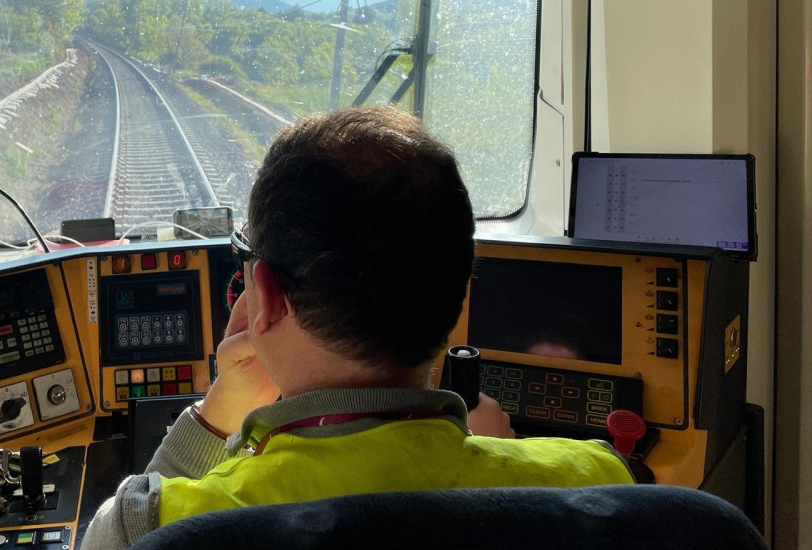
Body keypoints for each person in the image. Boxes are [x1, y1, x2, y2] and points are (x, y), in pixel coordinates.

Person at [84, 107, 633, 548]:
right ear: (461, 293)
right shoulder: (601, 485)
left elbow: (129, 527)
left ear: (267, 297)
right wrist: (491, 463)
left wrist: (217, 415)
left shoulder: (150, 527)